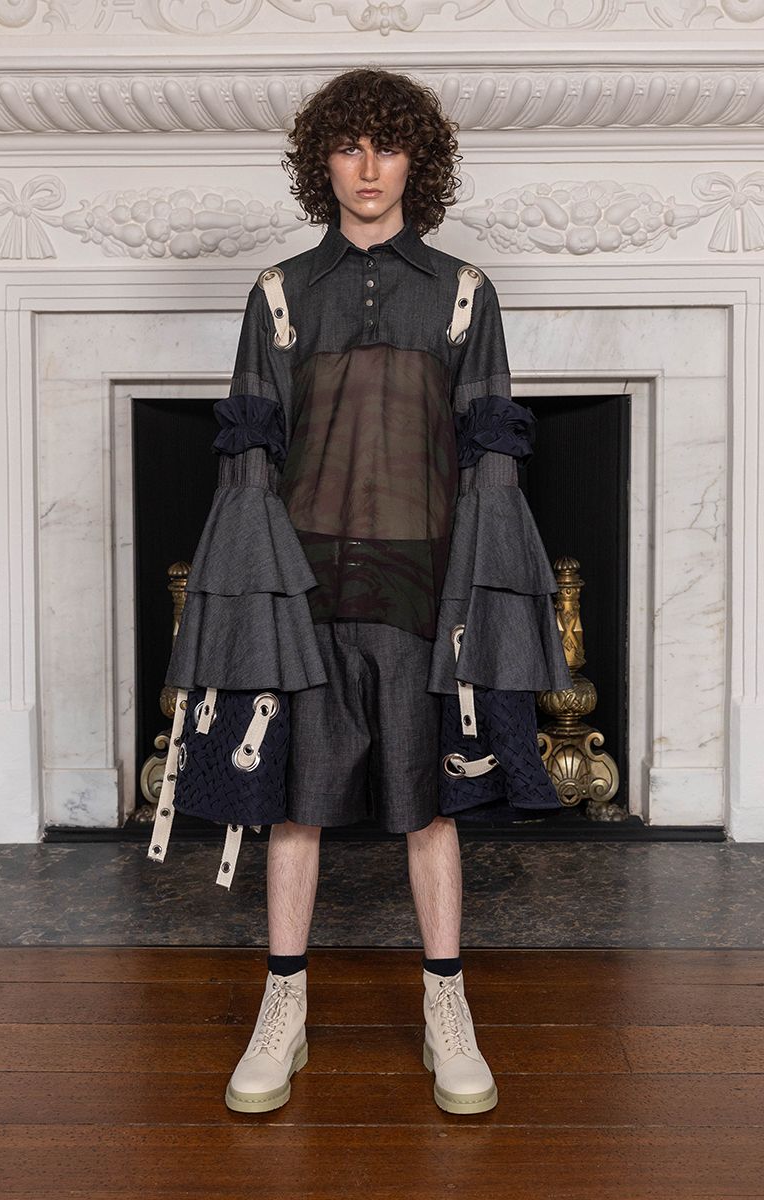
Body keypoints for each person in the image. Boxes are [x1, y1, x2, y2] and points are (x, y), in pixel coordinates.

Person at [160, 67, 571, 1116]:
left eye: (388, 146)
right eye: (349, 146)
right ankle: (282, 1010)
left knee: (428, 811)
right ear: (323, 163)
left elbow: (490, 463)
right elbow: (249, 461)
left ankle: (447, 1010)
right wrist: (257, 600)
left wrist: (473, 605)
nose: (369, 167)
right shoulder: (280, 292)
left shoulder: (465, 292)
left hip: (421, 591)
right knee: (293, 812)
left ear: (416, 163)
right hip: (305, 590)